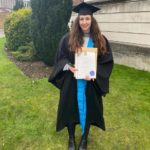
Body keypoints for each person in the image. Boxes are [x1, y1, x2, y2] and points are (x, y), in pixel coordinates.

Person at [48, 2, 114, 150]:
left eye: (87, 19)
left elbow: (106, 61)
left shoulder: (100, 40)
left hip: (90, 83)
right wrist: (68, 67)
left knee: (89, 110)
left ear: (92, 20)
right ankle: (71, 139)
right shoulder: (68, 39)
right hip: (72, 82)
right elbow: (61, 58)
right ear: (78, 21)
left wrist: (94, 74)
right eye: (82, 19)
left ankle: (84, 139)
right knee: (70, 109)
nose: (84, 22)